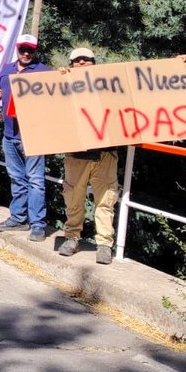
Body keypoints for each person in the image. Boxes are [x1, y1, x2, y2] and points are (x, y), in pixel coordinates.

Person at [0, 34, 52, 242]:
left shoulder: (44, 71)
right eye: (23, 49)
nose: (26, 53)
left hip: (33, 135)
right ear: (17, 48)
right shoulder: (6, 69)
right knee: (16, 177)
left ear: (35, 50)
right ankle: (18, 218)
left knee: (35, 181)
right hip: (9, 133)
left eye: (30, 50)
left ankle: (38, 225)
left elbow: (58, 97)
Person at [57, 48, 120, 265]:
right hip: (76, 155)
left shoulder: (110, 84)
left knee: (106, 201)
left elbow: (145, 86)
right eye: (77, 60)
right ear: (71, 64)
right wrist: (58, 79)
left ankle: (104, 244)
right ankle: (72, 237)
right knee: (73, 197)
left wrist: (179, 66)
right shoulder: (62, 85)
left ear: (94, 63)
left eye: (87, 60)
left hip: (106, 154)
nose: (82, 63)